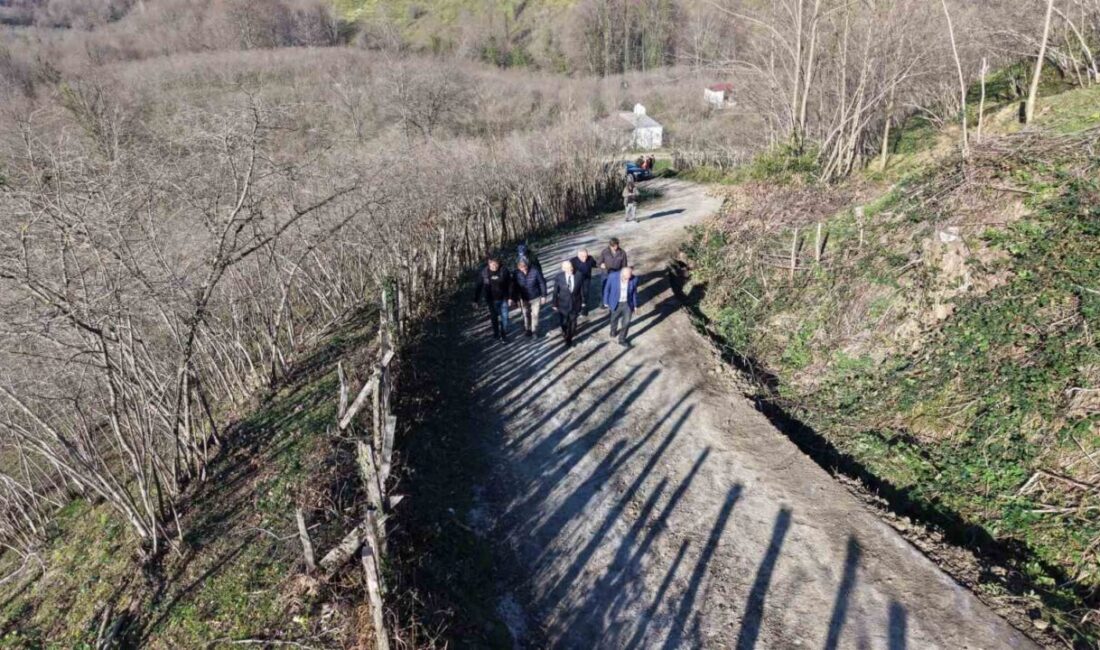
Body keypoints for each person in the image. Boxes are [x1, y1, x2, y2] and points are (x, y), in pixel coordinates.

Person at [473, 256, 514, 342]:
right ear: (489, 264)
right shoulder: (484, 273)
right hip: (491, 300)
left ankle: (503, 335)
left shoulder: (504, 271)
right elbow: (478, 286)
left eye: (496, 264)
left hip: (504, 298)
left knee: (505, 318)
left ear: (499, 263)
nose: (494, 266)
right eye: (492, 264)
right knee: (494, 317)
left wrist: (510, 297)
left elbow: (510, 284)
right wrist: (475, 300)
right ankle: (496, 333)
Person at [603, 266, 639, 347]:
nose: (628, 280)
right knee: (614, 319)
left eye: (629, 278)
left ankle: (622, 339)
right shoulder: (612, 276)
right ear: (621, 274)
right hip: (615, 303)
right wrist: (605, 301)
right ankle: (613, 330)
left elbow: (634, 293)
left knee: (627, 322)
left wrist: (635, 305)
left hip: (627, 304)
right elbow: (607, 289)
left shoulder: (634, 279)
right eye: (626, 278)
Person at [552, 260, 584, 348]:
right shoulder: (559, 277)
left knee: (573, 323)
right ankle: (565, 331)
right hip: (563, 304)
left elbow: (582, 289)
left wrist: (583, 302)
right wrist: (554, 303)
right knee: (564, 322)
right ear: (563, 269)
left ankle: (569, 338)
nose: (571, 269)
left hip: (575, 303)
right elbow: (555, 291)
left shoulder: (579, 275)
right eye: (568, 268)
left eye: (571, 267)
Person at [513, 258, 547, 338]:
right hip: (524, 298)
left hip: (536, 297)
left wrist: (544, 295)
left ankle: (534, 331)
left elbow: (542, 283)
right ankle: (527, 329)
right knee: (526, 314)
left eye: (525, 267)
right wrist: (516, 299)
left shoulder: (535, 271)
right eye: (521, 267)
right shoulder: (516, 273)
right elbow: (514, 287)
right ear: (518, 267)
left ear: (527, 265)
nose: (523, 269)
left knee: (535, 315)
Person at [569, 248, 598, 318]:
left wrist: (602, 264)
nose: (585, 258)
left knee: (585, 294)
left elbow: (595, 264)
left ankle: (584, 310)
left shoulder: (590, 258)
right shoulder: (573, 261)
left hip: (586, 280)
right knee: (577, 294)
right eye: (583, 256)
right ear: (578, 255)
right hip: (576, 281)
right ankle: (577, 309)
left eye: (586, 256)